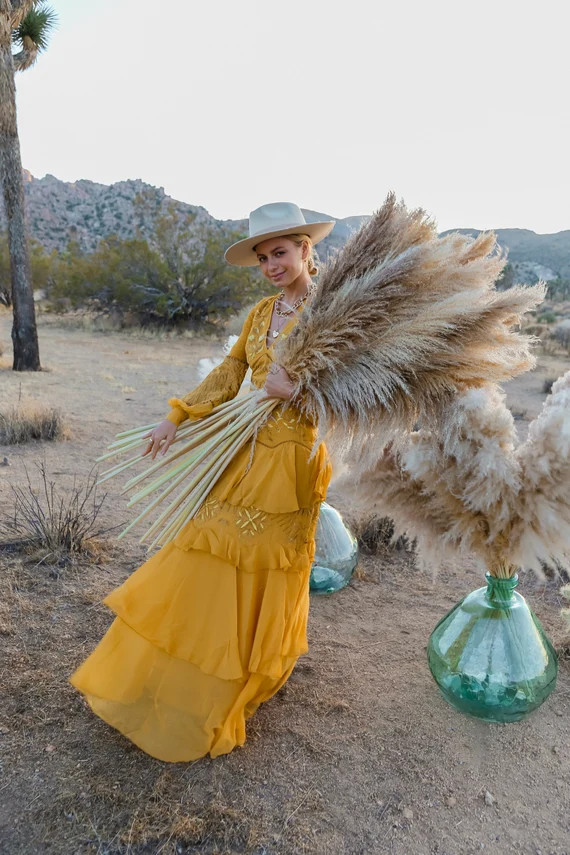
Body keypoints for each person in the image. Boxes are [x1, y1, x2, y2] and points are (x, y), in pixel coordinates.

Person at [69, 202, 336, 762]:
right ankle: (175, 678)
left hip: (290, 463)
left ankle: (235, 680)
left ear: (306, 249)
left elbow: (352, 396)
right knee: (204, 553)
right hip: (242, 450)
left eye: (280, 252)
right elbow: (232, 370)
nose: (270, 264)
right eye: (263, 257)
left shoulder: (334, 312)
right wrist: (177, 415)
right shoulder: (262, 312)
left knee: (259, 564)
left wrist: (301, 396)